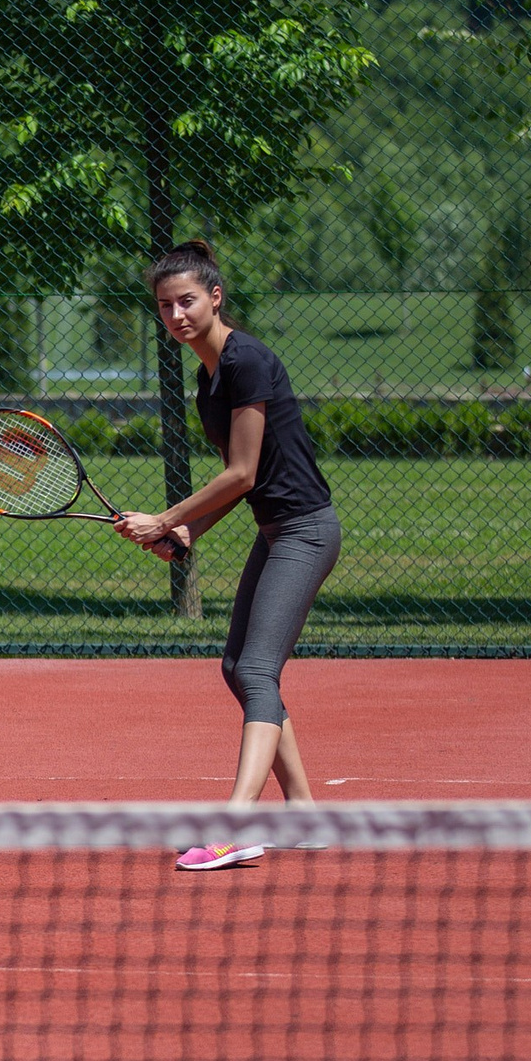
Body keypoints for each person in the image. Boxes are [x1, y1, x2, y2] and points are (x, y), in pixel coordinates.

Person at [112, 240, 341, 871]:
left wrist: (166, 518)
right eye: (164, 306)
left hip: (306, 532)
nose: (176, 315)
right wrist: (188, 533)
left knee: (258, 671)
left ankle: (238, 826)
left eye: (186, 300)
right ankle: (303, 814)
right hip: (278, 531)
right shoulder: (209, 380)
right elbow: (247, 482)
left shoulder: (247, 361)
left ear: (216, 297)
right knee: (239, 667)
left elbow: (240, 472)